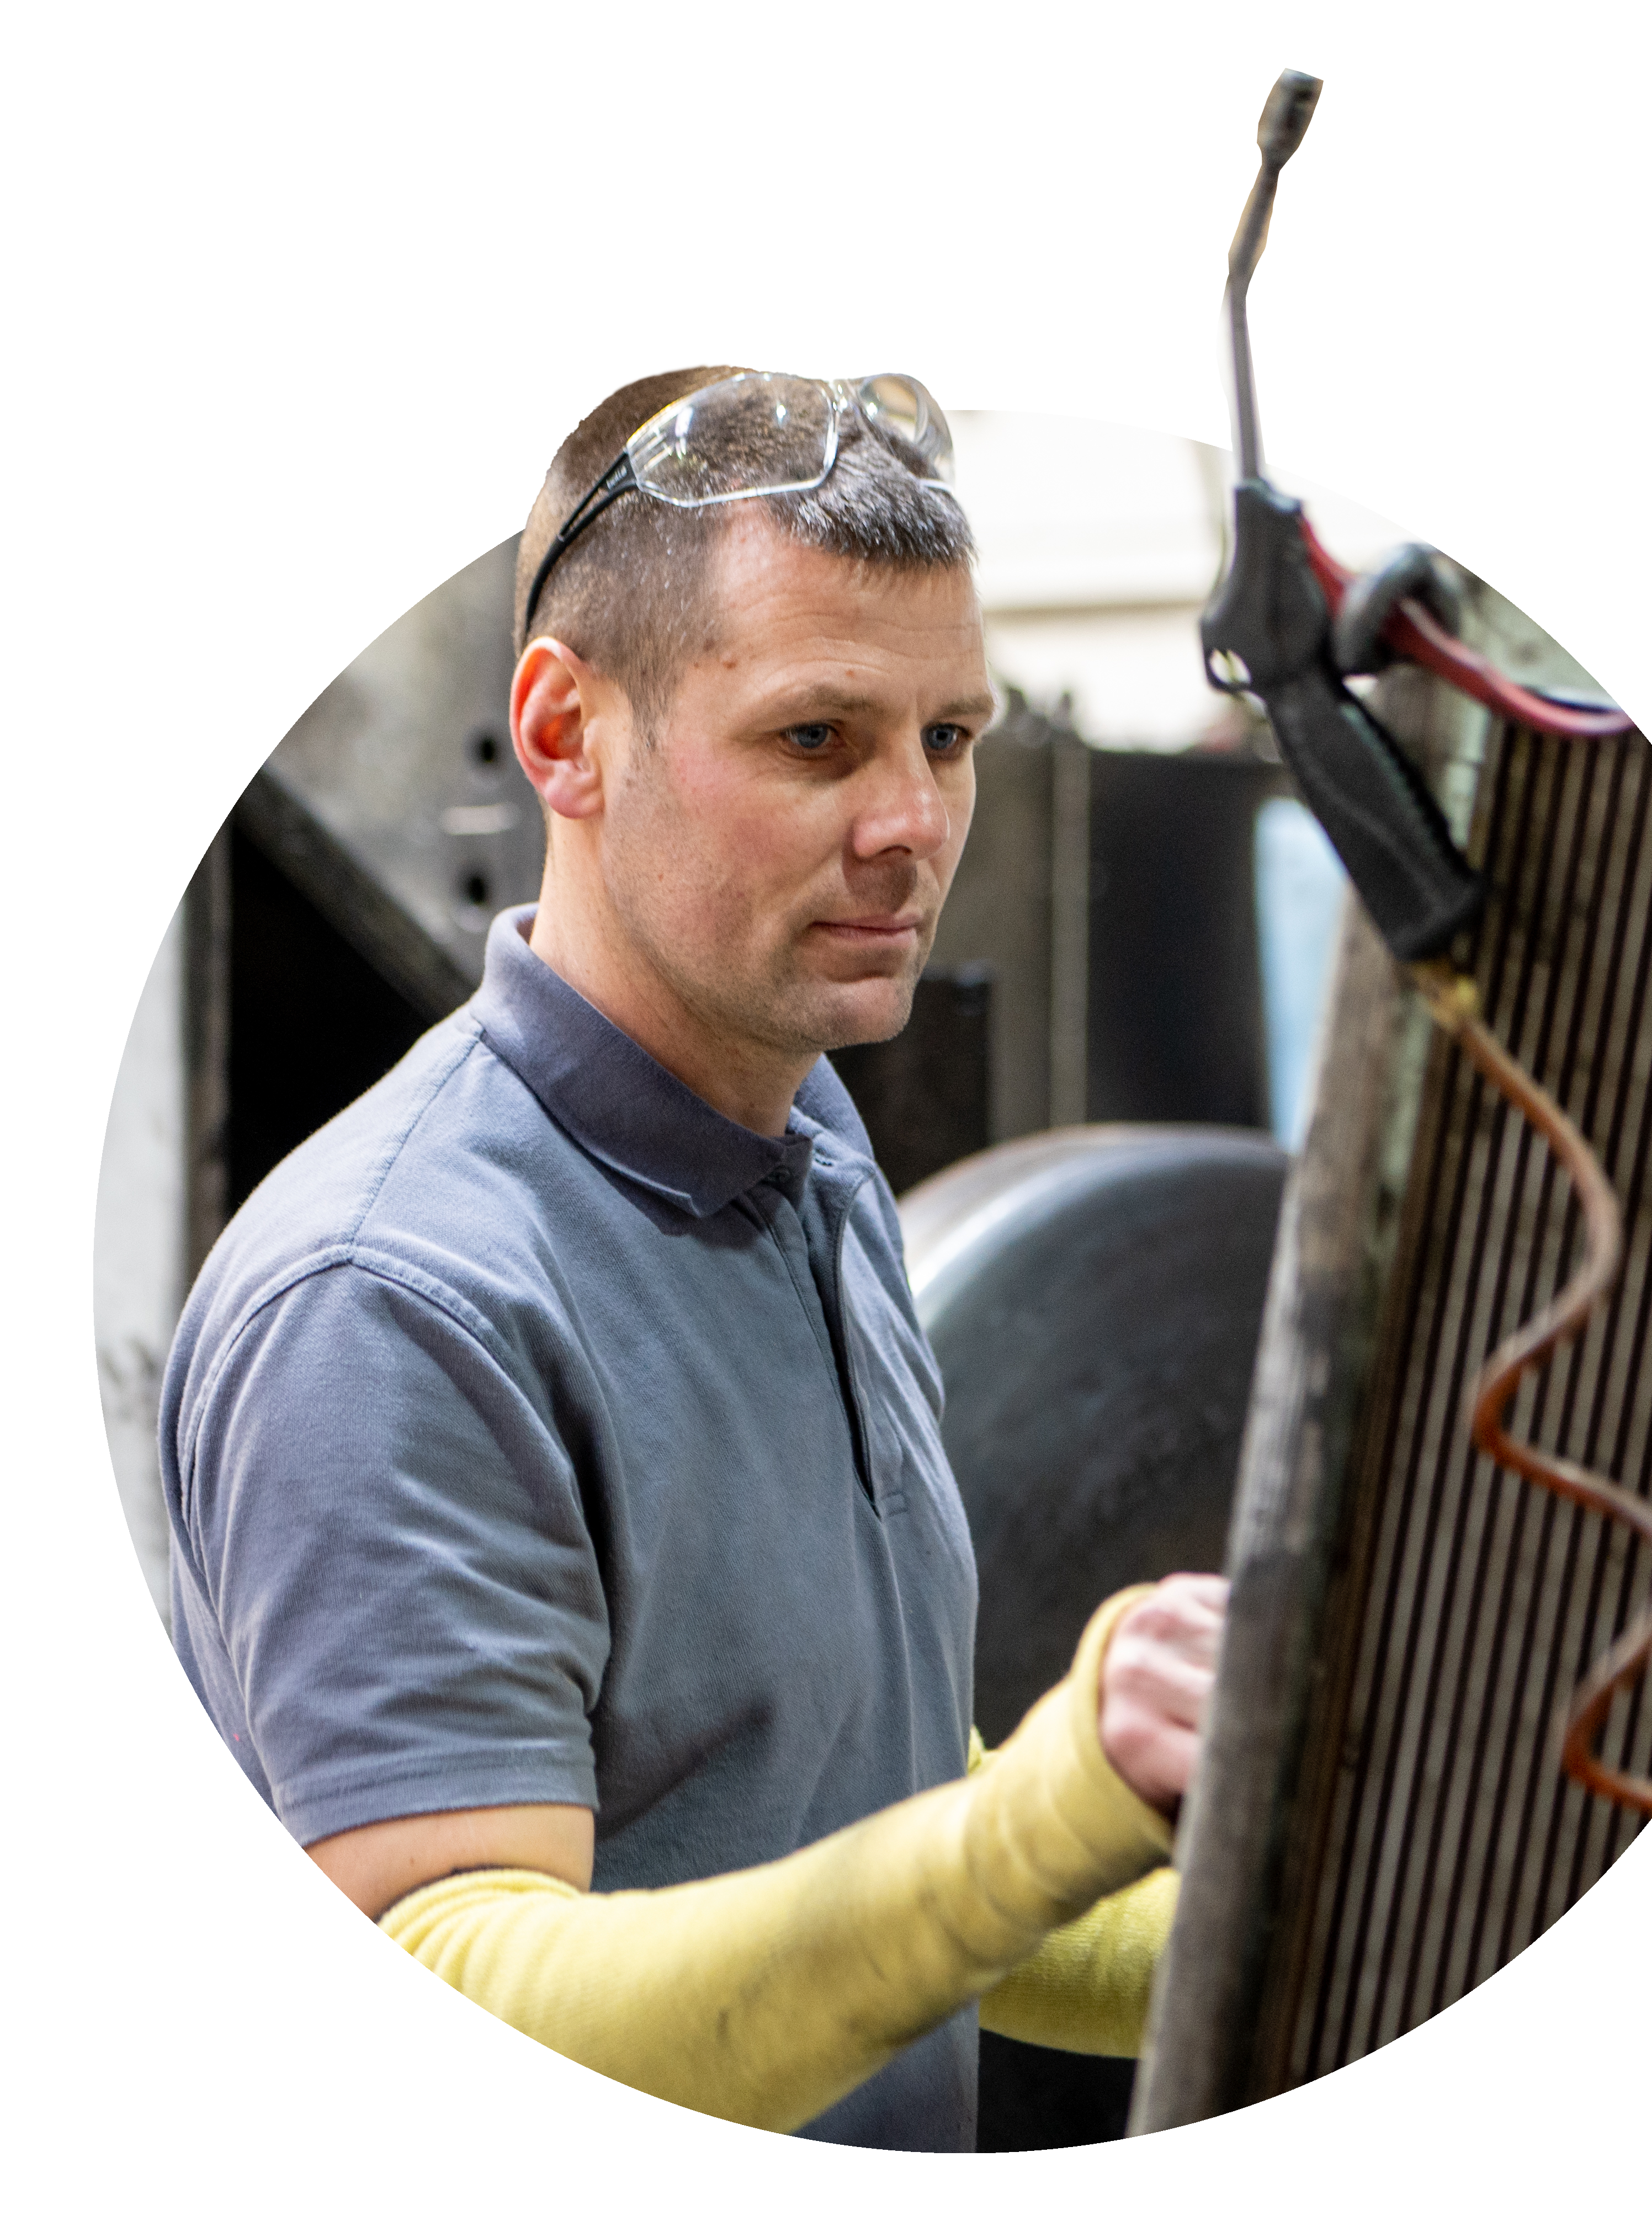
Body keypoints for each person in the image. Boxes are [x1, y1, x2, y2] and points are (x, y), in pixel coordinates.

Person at [160, 363, 1230, 2151]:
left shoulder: (807, 1149)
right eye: (817, 740)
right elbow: (464, 1994)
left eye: (945, 739)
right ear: (564, 735)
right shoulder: (396, 1301)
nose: (910, 827)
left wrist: (1326, 1905)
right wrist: (1038, 1818)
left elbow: (833, 1793)